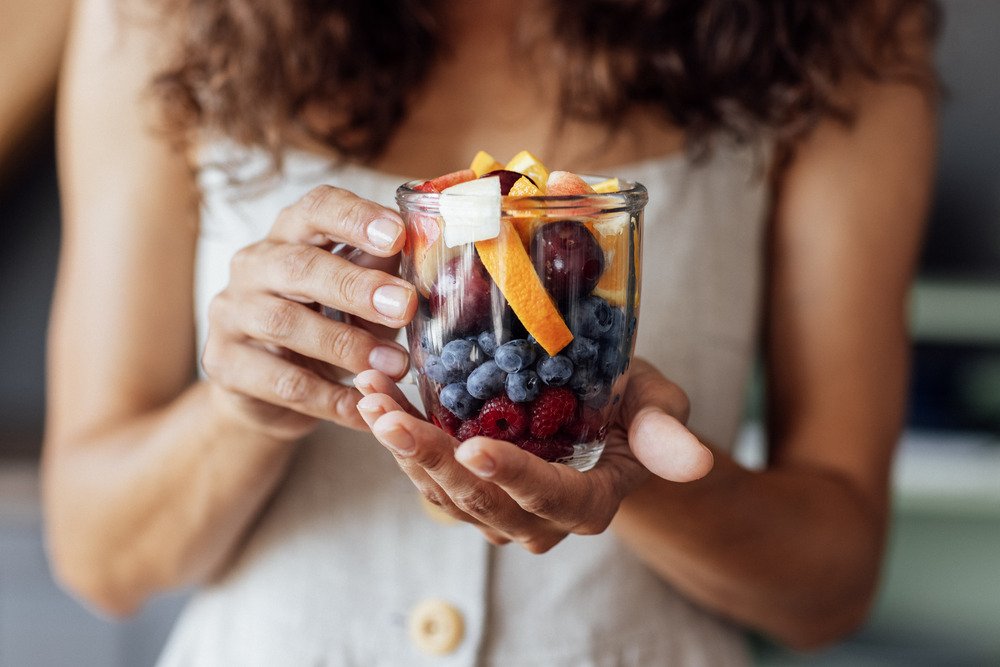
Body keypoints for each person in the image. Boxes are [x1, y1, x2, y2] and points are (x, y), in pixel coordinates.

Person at [43, 0, 938, 664]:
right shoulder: (155, 18)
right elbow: (99, 553)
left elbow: (832, 582)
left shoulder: (841, 29)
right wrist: (246, 410)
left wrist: (630, 472)